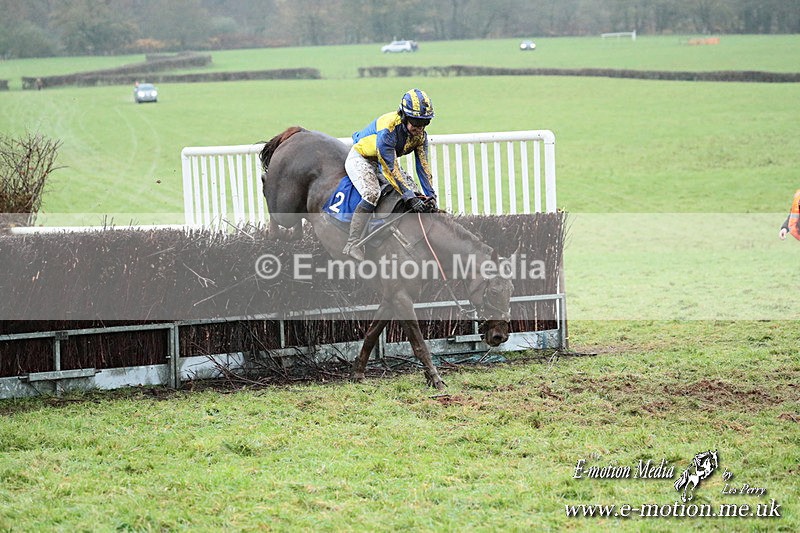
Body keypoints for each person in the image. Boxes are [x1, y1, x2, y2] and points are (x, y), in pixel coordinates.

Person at [342, 88, 437, 260]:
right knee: (372, 194)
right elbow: (390, 169)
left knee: (415, 193)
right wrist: (409, 196)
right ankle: (352, 243)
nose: (420, 128)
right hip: (362, 158)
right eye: (416, 122)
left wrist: (431, 196)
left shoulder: (420, 135)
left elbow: (423, 166)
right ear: (405, 117)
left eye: (425, 123)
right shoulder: (389, 129)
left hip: (383, 161)